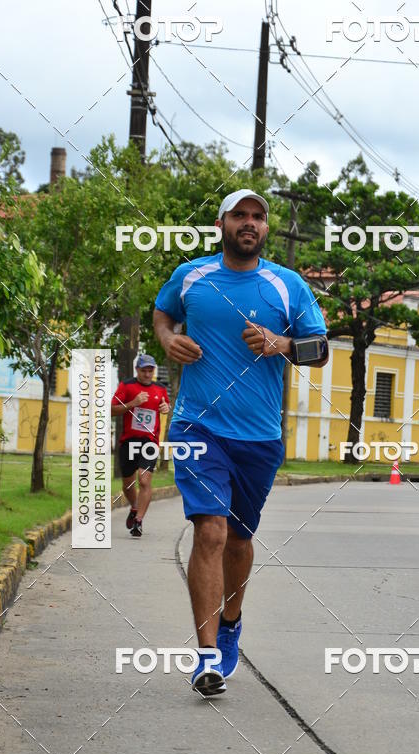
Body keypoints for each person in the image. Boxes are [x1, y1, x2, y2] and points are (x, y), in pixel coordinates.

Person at [153, 188, 328, 696]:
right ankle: (207, 656)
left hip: (258, 436)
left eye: (258, 217)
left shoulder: (288, 285)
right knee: (209, 531)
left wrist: (283, 344)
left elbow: (320, 349)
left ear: (266, 229)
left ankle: (231, 622)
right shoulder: (191, 277)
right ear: (222, 223)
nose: (249, 223)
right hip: (196, 426)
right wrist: (167, 340)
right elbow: (163, 315)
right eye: (239, 215)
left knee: (239, 540)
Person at [111, 353, 170, 538]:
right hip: (129, 441)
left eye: (150, 370)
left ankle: (138, 521)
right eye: (144, 370)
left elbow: (166, 405)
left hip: (150, 442)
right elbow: (112, 410)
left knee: (144, 480)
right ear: (137, 370)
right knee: (128, 484)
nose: (147, 374)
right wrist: (133, 403)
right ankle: (135, 507)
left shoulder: (160, 388)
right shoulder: (127, 386)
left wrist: (166, 408)